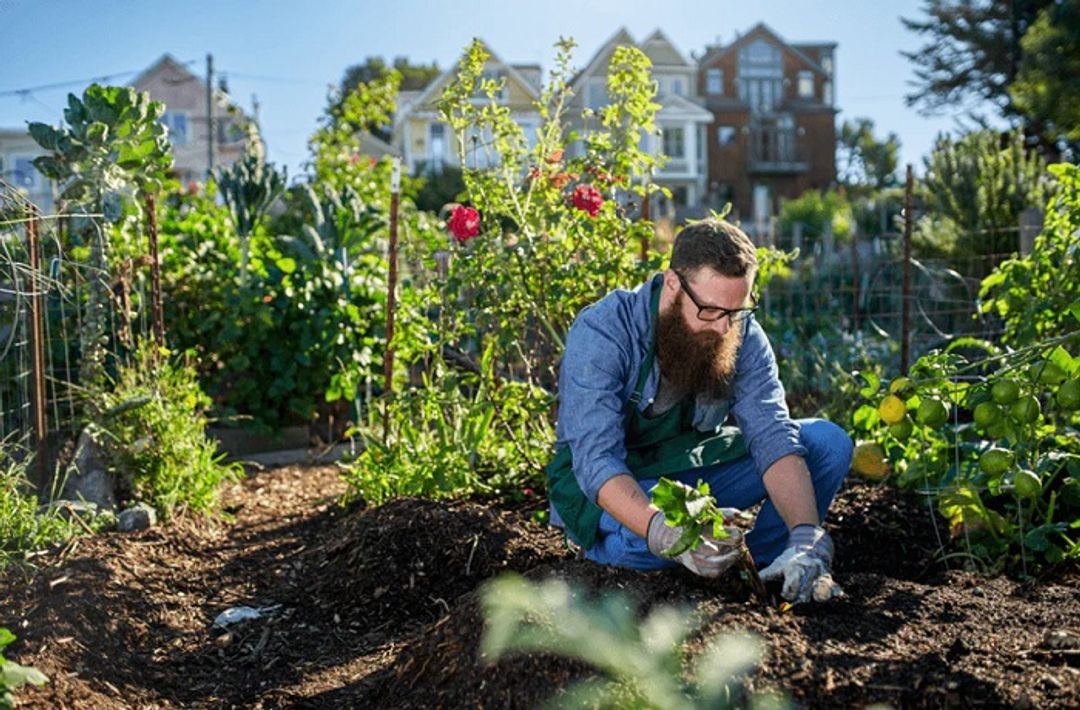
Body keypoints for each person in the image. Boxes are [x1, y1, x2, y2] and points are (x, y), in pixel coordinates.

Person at [545, 218, 853, 603]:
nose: (724, 328)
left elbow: (772, 434)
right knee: (649, 542)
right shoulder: (605, 331)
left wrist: (807, 536)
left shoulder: (740, 332)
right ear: (672, 283)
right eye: (710, 310)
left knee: (827, 443)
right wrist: (663, 531)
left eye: (736, 311)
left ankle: (764, 567)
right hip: (613, 483)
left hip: (687, 470)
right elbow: (596, 460)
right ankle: (609, 557)